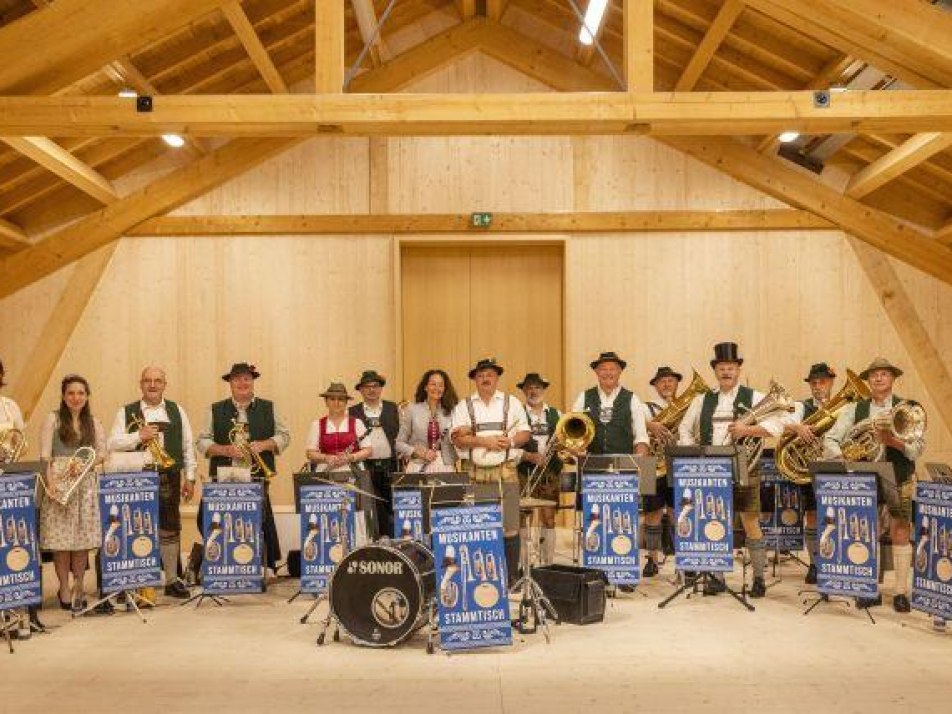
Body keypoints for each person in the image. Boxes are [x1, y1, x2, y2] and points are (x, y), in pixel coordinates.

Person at [678, 342, 787, 598]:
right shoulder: (701, 399)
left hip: (745, 467)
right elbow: (684, 427)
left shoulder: (755, 397)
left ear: (738, 369)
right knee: (716, 521)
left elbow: (779, 425)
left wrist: (747, 430)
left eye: (731, 367)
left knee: (750, 521)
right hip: (711, 471)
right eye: (722, 368)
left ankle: (759, 578)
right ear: (715, 371)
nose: (726, 372)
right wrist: (694, 452)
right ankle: (716, 577)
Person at [824, 357, 926, 613]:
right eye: (873, 375)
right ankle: (869, 589)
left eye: (884, 374)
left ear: (892, 378)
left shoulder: (908, 408)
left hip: (899, 476)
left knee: (900, 530)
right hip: (864, 478)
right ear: (868, 381)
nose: (879, 378)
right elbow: (831, 439)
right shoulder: (853, 409)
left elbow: (917, 449)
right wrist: (843, 459)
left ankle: (900, 591)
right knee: (866, 532)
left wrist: (892, 443)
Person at [107, 366, 196, 599]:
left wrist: (191, 477)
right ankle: (133, 581)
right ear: (141, 384)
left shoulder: (177, 410)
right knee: (135, 527)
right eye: (148, 380)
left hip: (169, 475)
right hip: (136, 476)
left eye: (158, 381)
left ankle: (171, 580)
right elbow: (112, 443)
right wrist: (139, 436)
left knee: (170, 526)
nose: (153, 385)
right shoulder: (125, 411)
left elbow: (188, 445)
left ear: (165, 385)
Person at [195, 362, 290, 572]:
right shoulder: (215, 409)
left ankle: (257, 567)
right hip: (224, 475)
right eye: (237, 378)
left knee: (258, 520)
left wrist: (264, 444)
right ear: (230, 383)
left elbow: (285, 436)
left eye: (246, 378)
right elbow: (201, 441)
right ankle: (221, 562)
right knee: (207, 518)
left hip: (255, 475)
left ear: (253, 381)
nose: (242, 382)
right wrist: (224, 450)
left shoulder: (269, 407)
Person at [451, 358, 530, 586]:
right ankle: (483, 578)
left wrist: (512, 441)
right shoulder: (464, 406)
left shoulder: (511, 402)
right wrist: (485, 441)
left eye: (490, 375)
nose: (486, 378)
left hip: (506, 473)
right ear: (475, 379)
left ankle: (511, 578)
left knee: (511, 527)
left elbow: (525, 432)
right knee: (480, 527)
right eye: (481, 375)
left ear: (497, 378)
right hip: (475, 474)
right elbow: (458, 439)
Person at [38, 374, 107, 613]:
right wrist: (52, 484)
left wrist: (83, 464)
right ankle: (64, 588)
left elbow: (101, 453)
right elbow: (45, 457)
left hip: (85, 485)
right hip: (59, 484)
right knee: (62, 543)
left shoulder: (94, 422)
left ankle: (79, 586)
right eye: (71, 393)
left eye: (80, 393)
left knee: (81, 542)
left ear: (87, 396)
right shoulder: (53, 419)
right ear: (63, 396)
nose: (76, 398)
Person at [782, 362, 837, 585]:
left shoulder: (846, 406)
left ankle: (836, 561)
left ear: (831, 382)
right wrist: (798, 428)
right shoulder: (803, 406)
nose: (817, 386)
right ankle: (815, 563)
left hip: (837, 468)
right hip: (811, 470)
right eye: (813, 383)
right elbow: (782, 422)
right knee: (813, 516)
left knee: (836, 517)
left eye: (822, 382)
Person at [0, 359, 44, 636]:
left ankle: (21, 612)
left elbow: (19, 439)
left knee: (16, 545)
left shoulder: (9, 406)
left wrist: (8, 451)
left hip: (8, 484)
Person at [305, 382, 373, 538]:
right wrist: (326, 457)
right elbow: (310, 453)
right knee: (328, 511)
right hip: (326, 472)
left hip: (353, 472)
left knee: (355, 511)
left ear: (346, 402)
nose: (337, 403)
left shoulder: (356, 423)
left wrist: (350, 457)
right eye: (332, 399)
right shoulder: (317, 424)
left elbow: (368, 450)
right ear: (326, 401)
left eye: (341, 399)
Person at [641, 366, 683, 577]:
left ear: (677, 384)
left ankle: (683, 561)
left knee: (679, 513)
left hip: (677, 464)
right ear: (655, 386)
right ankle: (652, 559)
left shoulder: (687, 406)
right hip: (652, 465)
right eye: (662, 381)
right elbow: (635, 424)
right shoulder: (645, 407)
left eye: (670, 381)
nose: (666, 384)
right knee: (652, 514)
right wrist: (651, 426)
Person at [516, 372, 561, 566]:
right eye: (529, 387)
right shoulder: (517, 414)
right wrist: (530, 456)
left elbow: (564, 438)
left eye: (537, 387)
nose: (533, 391)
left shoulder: (556, 414)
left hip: (550, 473)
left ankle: (547, 563)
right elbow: (512, 445)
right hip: (524, 471)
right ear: (524, 390)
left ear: (544, 390)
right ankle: (524, 563)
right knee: (522, 518)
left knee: (549, 518)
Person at [350, 370, 400, 538]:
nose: (372, 390)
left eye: (376, 386)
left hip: (390, 465)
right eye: (367, 387)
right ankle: (376, 541)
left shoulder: (393, 408)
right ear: (361, 390)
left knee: (393, 506)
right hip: (366, 467)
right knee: (371, 507)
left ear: (381, 389)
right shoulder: (353, 412)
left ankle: (393, 542)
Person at [396, 369, 459, 474]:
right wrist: (420, 452)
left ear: (445, 389)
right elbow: (399, 444)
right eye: (433, 384)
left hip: (445, 467)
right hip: (417, 467)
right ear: (425, 387)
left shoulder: (453, 412)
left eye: (441, 385)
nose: (437, 388)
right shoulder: (412, 410)